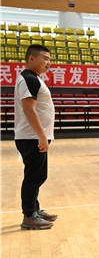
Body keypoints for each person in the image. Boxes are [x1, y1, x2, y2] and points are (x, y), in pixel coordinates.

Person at [14, 44, 57, 230]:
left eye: (49, 59)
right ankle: (29, 215)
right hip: (32, 137)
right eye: (45, 59)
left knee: (36, 175)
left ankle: (35, 209)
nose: (48, 63)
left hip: (34, 136)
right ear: (31, 58)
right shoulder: (29, 79)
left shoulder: (34, 78)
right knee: (34, 177)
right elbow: (29, 110)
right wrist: (41, 135)